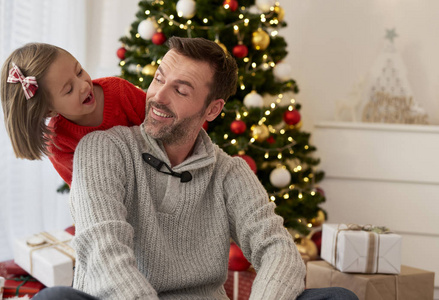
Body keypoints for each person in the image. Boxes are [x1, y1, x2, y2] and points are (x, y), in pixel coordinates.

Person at [34, 37, 358, 300]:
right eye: (159, 79)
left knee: (337, 298)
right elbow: (104, 249)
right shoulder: (103, 148)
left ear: (213, 109)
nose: (158, 96)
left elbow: (277, 248)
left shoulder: (229, 172)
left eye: (180, 90)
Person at [1, 43, 146, 186]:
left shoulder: (119, 90)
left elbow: (161, 125)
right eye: (69, 90)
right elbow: (87, 193)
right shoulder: (59, 145)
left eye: (79, 72)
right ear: (49, 111)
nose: (84, 85)